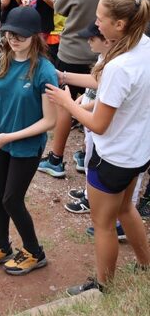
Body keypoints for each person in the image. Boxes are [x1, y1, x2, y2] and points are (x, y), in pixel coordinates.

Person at [46, 0, 150, 296]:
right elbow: (106, 85)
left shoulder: (119, 66)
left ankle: (103, 286)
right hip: (138, 151)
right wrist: (65, 76)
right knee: (126, 209)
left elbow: (98, 125)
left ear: (119, 24)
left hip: (112, 156)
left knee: (103, 224)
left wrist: (67, 103)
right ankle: (145, 264)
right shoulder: (143, 46)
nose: (96, 23)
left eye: (100, 18)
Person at [0, 7, 57, 275]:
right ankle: (2, 246)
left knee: (12, 199)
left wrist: (9, 137)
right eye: (10, 33)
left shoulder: (44, 70)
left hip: (26, 145)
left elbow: (49, 121)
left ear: (35, 36)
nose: (14, 39)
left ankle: (34, 251)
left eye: (21, 35)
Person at [38, 0, 127, 178]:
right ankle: (85, 153)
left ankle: (56, 158)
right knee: (98, 104)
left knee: (66, 104)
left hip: (73, 52)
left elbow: (60, 8)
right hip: (108, 54)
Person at [60, 22, 114, 215]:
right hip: (88, 114)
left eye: (92, 38)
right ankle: (89, 192)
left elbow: (102, 97)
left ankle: (91, 199)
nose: (88, 41)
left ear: (106, 41)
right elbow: (93, 87)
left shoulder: (113, 65)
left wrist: (75, 107)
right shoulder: (102, 57)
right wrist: (81, 100)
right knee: (88, 153)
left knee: (93, 158)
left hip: (94, 116)